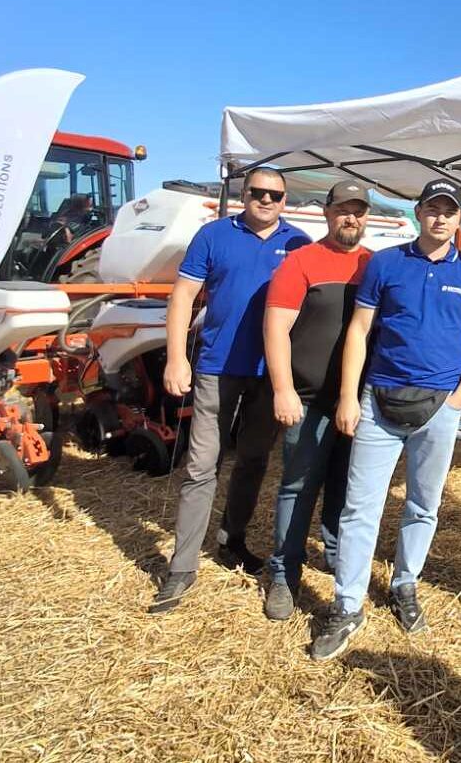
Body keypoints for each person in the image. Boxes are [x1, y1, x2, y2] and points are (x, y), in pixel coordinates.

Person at [310, 179, 461, 660]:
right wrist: (349, 396)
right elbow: (359, 330)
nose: (440, 217)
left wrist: (457, 400)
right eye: (432, 208)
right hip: (380, 401)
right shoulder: (385, 263)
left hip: (440, 407)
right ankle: (347, 604)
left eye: (449, 210)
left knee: (423, 505)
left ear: (460, 218)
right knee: (359, 508)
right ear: (418, 212)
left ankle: (405, 583)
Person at [149, 168, 310, 614]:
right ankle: (182, 568)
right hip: (217, 368)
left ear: (285, 199)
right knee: (202, 465)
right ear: (244, 193)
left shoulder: (299, 243)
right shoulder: (214, 235)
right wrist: (176, 357)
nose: (266, 200)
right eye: (258, 192)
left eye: (275, 194)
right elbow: (183, 297)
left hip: (270, 373)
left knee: (254, 460)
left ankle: (231, 539)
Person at [262, 181, 373, 620]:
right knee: (298, 485)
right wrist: (283, 388)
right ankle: (283, 573)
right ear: (327, 213)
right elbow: (276, 329)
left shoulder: (375, 265)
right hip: (308, 398)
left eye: (358, 211)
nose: (351, 218)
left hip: (359, 400)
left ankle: (334, 554)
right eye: (343, 209)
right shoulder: (301, 262)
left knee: (346, 485)